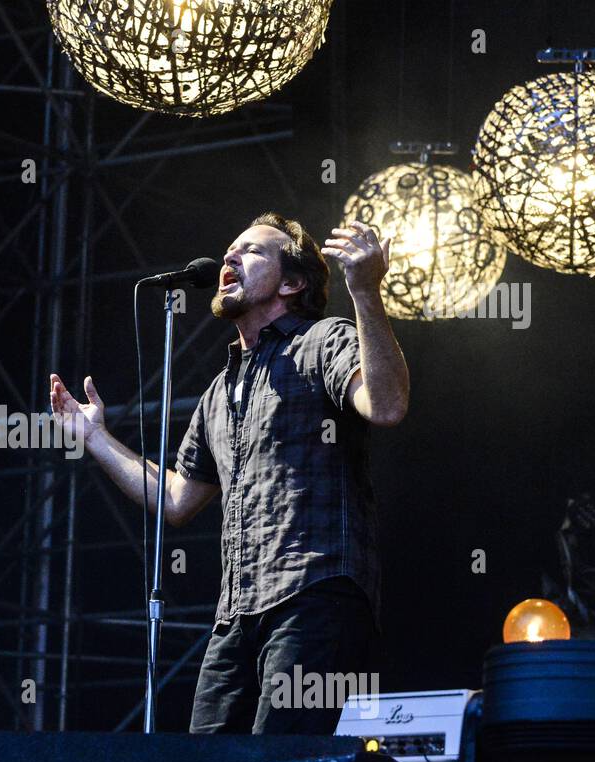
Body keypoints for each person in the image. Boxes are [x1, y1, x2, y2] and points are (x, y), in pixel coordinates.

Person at [49, 212, 409, 734]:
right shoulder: (220, 392)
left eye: (252, 251)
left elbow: (388, 404)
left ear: (292, 282)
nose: (230, 258)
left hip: (315, 594)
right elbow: (176, 500)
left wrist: (365, 293)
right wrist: (96, 440)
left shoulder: (323, 341)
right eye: (229, 250)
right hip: (235, 614)